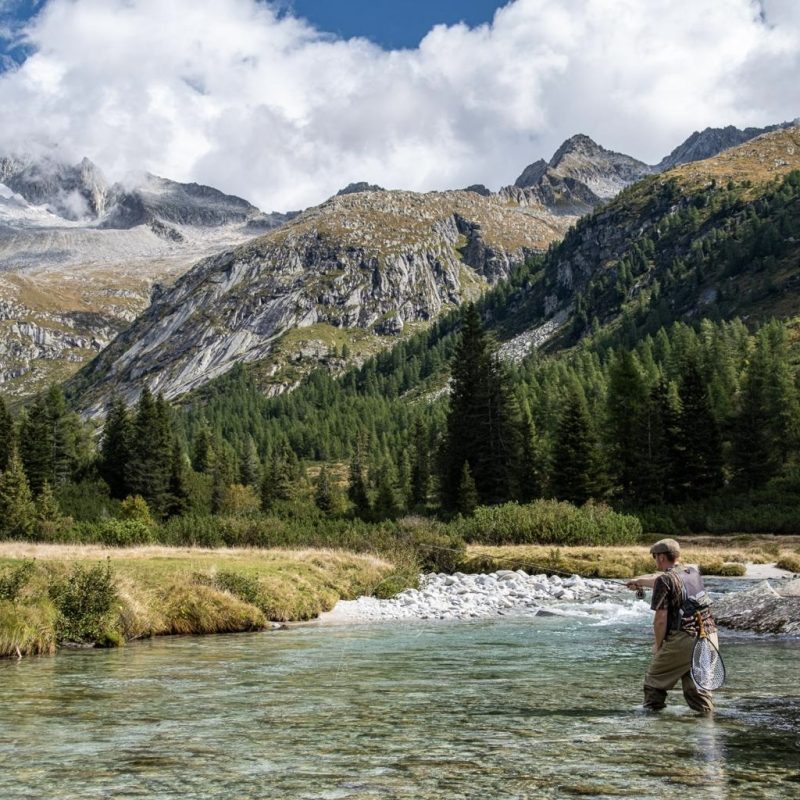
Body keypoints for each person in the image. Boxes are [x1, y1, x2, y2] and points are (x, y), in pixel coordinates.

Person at [627, 538, 718, 714]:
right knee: (697, 688)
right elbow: (665, 579)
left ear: (661, 557)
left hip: (684, 638)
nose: (655, 560)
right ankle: (708, 726)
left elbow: (660, 619)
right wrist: (640, 581)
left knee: (654, 679)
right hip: (709, 635)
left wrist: (658, 645)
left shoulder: (665, 580)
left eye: (654, 557)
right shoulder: (693, 572)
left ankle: (653, 722)